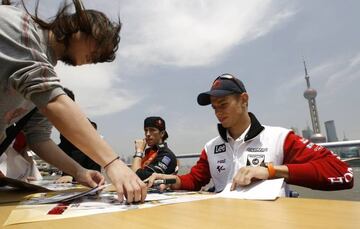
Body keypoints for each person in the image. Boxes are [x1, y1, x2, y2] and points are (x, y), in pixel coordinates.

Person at [0, 0, 146, 202]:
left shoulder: (42, 74)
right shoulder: (15, 24)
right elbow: (52, 98)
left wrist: (79, 171)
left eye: (99, 58)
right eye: (98, 46)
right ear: (79, 25)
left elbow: (39, 139)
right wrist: (113, 163)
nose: (95, 58)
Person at [147, 73, 354, 195]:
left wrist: (271, 171)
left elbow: (342, 172)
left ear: (244, 100)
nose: (218, 112)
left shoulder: (279, 138)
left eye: (223, 104)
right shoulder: (211, 147)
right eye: (214, 108)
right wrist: (167, 179)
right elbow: (195, 179)